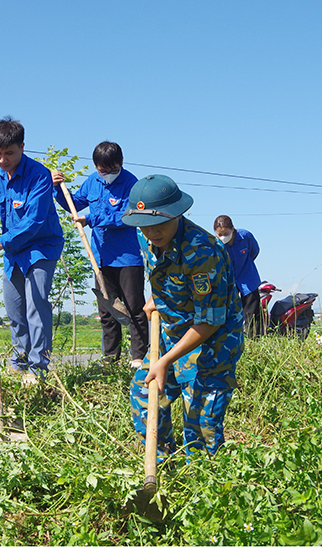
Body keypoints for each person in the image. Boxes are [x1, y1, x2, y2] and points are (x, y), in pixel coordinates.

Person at [122, 174, 244, 458]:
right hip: (171, 331)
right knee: (144, 396)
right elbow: (163, 270)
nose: (151, 233)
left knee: (200, 424)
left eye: (158, 224)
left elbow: (210, 321)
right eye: (144, 225)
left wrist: (164, 361)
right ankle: (164, 462)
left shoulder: (202, 253)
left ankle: (204, 484)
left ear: (177, 214)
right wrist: (159, 297)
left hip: (212, 344)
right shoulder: (145, 235)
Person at [0, 117, 64, 384]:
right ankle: (19, 361)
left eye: (9, 153)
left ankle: (38, 367)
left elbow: (33, 221)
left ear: (22, 147)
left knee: (36, 305)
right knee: (14, 309)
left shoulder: (40, 176)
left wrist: (0, 242)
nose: (2, 159)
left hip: (40, 247)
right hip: (13, 251)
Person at [52, 141, 148, 368]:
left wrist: (91, 220)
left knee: (134, 309)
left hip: (127, 259)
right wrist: (57, 188)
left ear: (121, 164)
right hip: (101, 258)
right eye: (102, 170)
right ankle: (111, 360)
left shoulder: (131, 184)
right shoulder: (92, 182)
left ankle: (139, 358)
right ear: (96, 166)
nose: (107, 174)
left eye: (112, 169)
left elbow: (127, 216)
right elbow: (73, 204)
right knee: (107, 311)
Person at [213, 215, 262, 338]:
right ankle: (232, 339)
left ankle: (254, 340)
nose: (223, 237)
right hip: (228, 281)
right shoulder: (215, 244)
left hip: (248, 278)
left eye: (226, 233)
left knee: (252, 313)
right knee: (229, 312)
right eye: (220, 234)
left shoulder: (245, 236)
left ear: (233, 229)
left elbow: (254, 251)